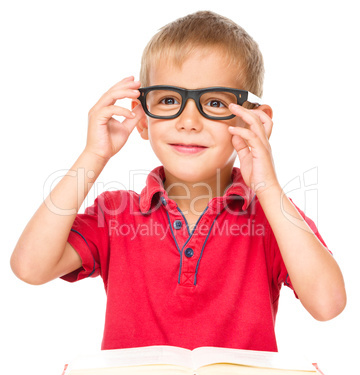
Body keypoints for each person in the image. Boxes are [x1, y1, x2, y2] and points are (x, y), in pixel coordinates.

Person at [10, 11, 346, 352]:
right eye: (169, 100)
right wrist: (94, 155)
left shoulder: (273, 219)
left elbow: (328, 304)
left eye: (214, 102)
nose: (188, 121)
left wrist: (268, 187)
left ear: (253, 121)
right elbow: (30, 267)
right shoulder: (115, 214)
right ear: (142, 119)